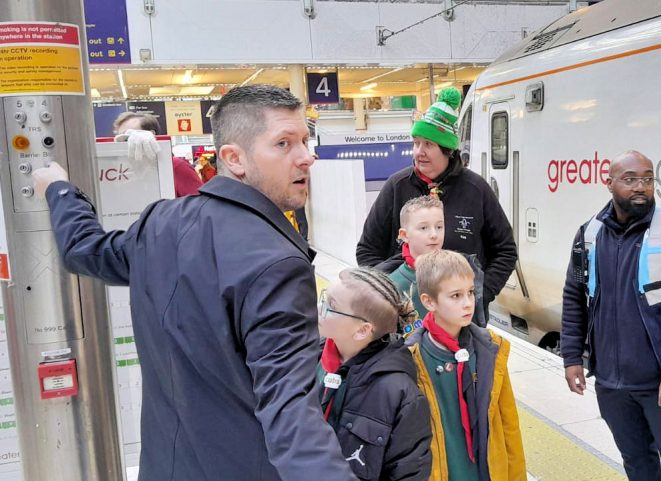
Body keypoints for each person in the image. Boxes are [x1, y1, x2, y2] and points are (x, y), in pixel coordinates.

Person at [32, 85, 358, 481]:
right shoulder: (277, 264)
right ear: (234, 159)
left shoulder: (160, 223)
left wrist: (59, 190)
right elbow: (290, 409)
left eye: (305, 140)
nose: (308, 157)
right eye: (284, 144)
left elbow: (84, 250)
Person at [560, 150, 661, 481]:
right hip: (612, 384)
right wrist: (572, 357)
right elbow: (574, 297)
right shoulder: (589, 235)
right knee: (636, 461)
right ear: (609, 183)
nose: (641, 187)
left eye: (647, 178)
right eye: (630, 180)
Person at [356, 87, 517, 321]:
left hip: (463, 322)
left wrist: (480, 295)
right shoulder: (396, 186)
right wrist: (389, 293)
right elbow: (367, 250)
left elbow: (505, 251)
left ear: (448, 150)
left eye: (428, 145)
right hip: (406, 320)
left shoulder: (476, 189)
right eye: (416, 143)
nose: (418, 152)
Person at [405, 250, 526, 481]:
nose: (468, 303)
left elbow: (509, 426)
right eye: (456, 296)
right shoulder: (412, 358)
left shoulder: (491, 351)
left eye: (470, 292)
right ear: (429, 301)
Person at [317, 267, 432, 481]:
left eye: (330, 306)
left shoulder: (401, 395)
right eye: (324, 298)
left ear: (362, 330)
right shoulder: (310, 357)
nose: (319, 308)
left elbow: (408, 473)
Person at [389, 195, 485, 332]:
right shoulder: (392, 285)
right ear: (404, 235)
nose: (434, 234)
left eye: (439, 226)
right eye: (423, 228)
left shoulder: (461, 270)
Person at [113, 112, 203, 197]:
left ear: (151, 135)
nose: (125, 142)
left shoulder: (174, 166)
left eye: (129, 136)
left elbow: (200, 204)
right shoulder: (119, 168)